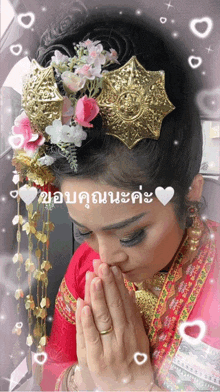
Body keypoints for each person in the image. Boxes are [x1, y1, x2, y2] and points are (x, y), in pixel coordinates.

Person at [10, 10, 220, 392]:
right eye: (84, 230)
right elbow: (53, 367)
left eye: (131, 235)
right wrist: (81, 381)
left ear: (190, 189)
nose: (104, 258)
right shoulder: (84, 267)